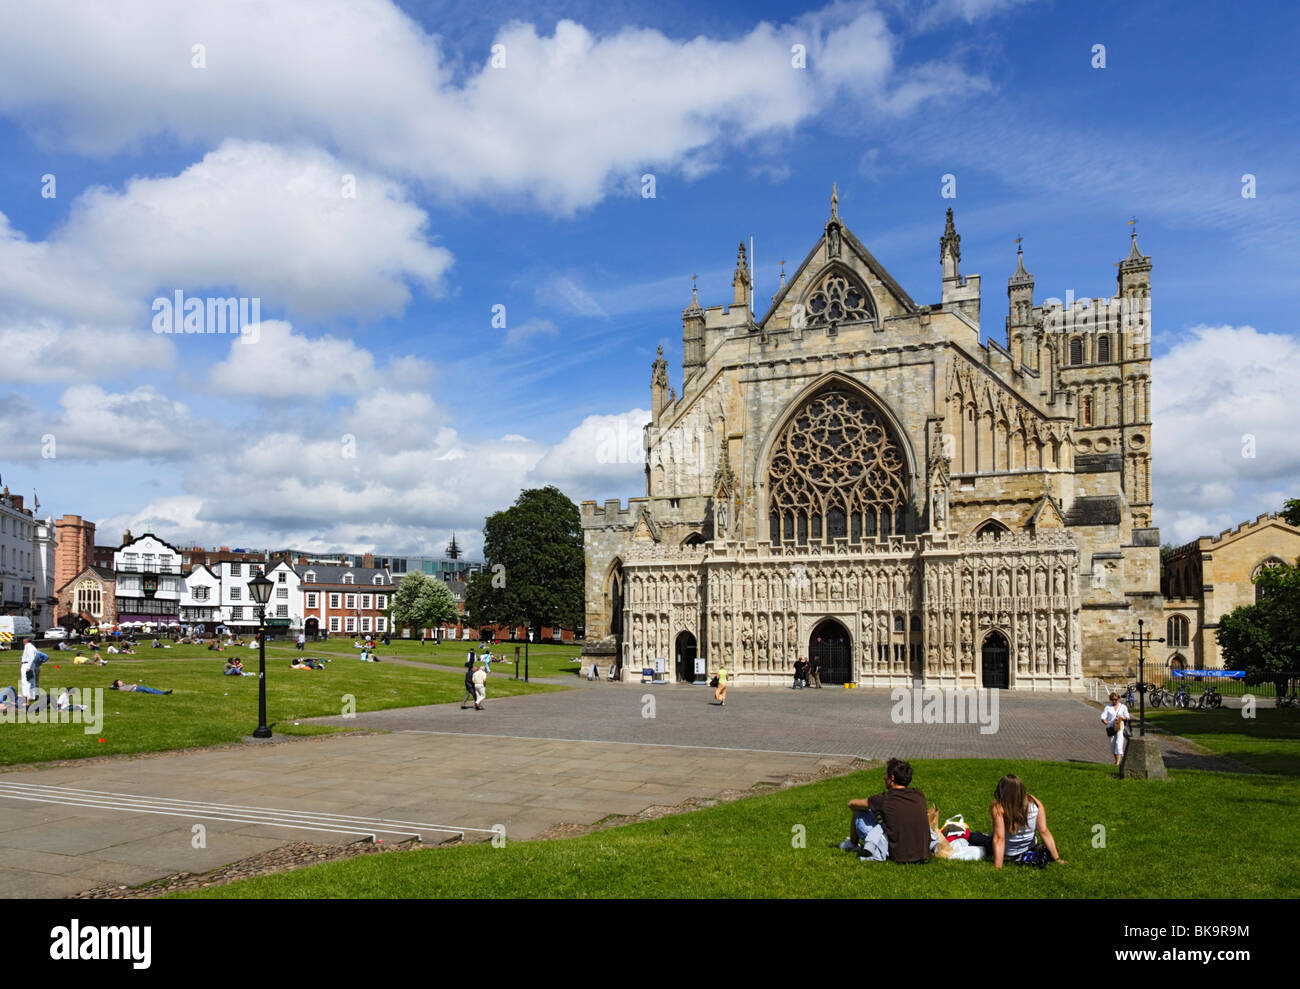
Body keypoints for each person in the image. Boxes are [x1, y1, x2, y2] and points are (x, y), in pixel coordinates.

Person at [841, 757, 931, 864]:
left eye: (885, 775)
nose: (884, 777)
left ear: (891, 778)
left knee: (859, 812)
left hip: (899, 855)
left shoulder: (885, 799)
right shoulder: (919, 795)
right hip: (922, 853)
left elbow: (852, 804)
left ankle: (852, 844)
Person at [966, 774, 1063, 869]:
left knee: (974, 836)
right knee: (990, 836)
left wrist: (997, 867)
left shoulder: (998, 807)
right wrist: (1057, 858)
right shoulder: (1035, 802)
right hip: (1029, 847)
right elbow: (1044, 831)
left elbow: (999, 838)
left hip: (1007, 852)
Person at [1101, 692, 1130, 766]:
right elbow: (1103, 716)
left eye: (1116, 699)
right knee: (1112, 745)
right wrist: (1104, 720)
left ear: (1118, 699)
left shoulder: (1123, 707)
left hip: (1120, 727)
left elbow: (1127, 717)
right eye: (1113, 700)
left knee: (1119, 743)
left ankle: (1118, 763)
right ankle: (1116, 760)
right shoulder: (1108, 707)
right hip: (1111, 727)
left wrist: (1121, 717)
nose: (1114, 701)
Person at [19, 637, 48, 706]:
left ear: (24, 642)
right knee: (32, 681)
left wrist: (28, 667)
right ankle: (32, 696)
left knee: (25, 682)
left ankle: (26, 697)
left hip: (27, 665)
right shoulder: (33, 647)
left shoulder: (28, 646)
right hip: (32, 665)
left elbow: (31, 657)